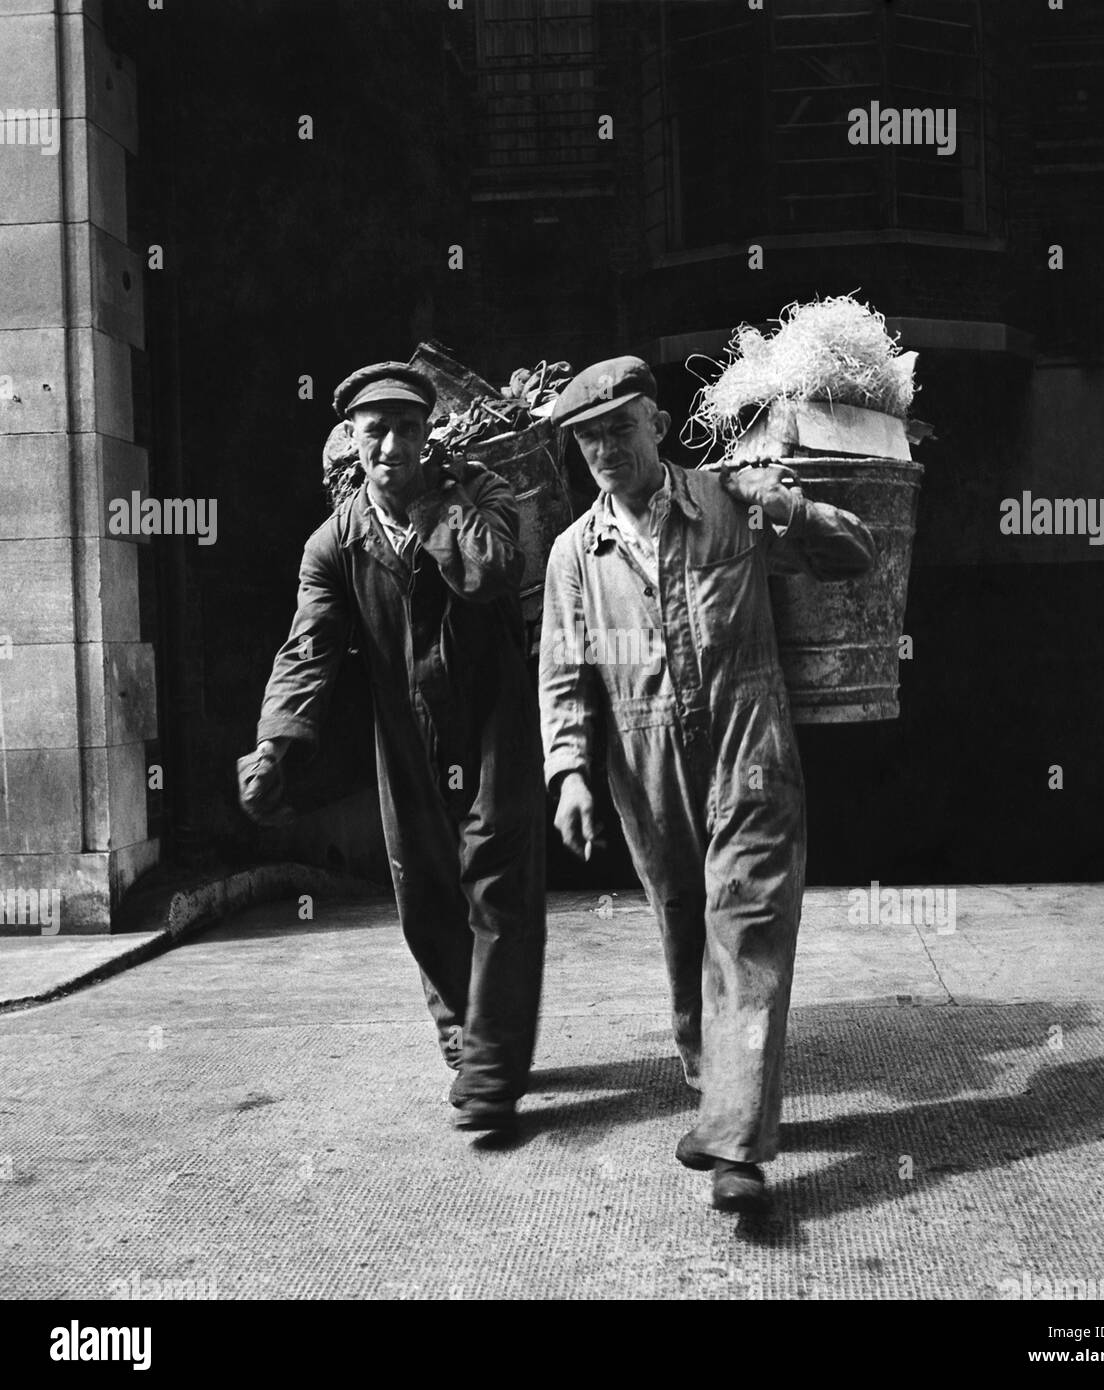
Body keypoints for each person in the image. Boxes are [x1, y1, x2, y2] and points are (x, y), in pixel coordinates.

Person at [539, 356, 876, 1211]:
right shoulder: (575, 555)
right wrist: (569, 772)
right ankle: (713, 1070)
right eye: (587, 439)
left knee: (748, 932)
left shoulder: (729, 502)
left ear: (656, 422)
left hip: (747, 744)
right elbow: (566, 673)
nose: (605, 449)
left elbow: (855, 555)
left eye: (620, 427)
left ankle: (734, 1146)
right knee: (685, 930)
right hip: (642, 763)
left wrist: (788, 505)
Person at [239, 361, 546, 1136]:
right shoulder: (335, 542)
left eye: (408, 428)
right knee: (424, 893)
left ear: (428, 434)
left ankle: (491, 1075)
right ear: (353, 438)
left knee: (499, 883)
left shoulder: (481, 495)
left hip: (493, 718)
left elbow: (494, 572)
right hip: (404, 730)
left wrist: (439, 502)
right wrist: (276, 744)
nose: (392, 445)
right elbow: (307, 648)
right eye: (375, 430)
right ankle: (468, 1043)